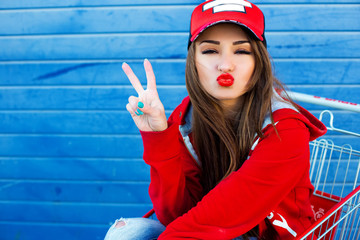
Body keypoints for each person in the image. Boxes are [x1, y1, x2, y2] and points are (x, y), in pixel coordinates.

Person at [104, 0, 327, 239]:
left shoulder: (286, 129)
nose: (225, 65)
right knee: (129, 233)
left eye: (241, 51)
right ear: (193, 61)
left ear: (258, 62)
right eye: (210, 51)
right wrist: (158, 136)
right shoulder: (186, 119)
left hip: (266, 234)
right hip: (213, 229)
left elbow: (222, 214)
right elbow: (174, 214)